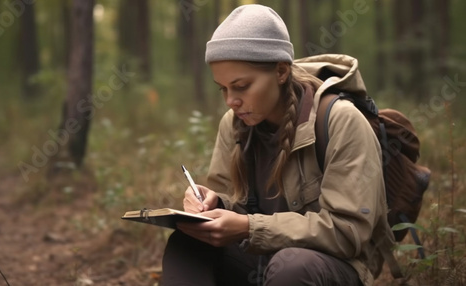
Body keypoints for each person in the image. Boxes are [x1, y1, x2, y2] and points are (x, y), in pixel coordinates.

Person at [162, 4, 396, 286]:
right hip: (260, 260)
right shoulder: (234, 123)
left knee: (291, 266)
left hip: (328, 268)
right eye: (222, 88)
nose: (230, 101)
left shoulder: (340, 121)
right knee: (186, 244)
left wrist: (250, 227)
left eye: (241, 86)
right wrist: (213, 203)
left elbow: (347, 233)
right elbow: (231, 204)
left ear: (281, 71)